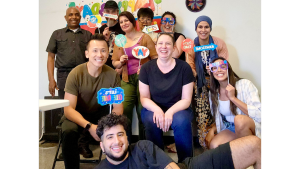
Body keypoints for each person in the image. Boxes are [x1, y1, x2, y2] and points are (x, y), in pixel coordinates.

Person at [95, 114, 261, 169]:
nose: (116, 141)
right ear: (101, 145)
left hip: (188, 167)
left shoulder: (141, 147)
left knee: (255, 145)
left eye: (120, 134)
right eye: (109, 137)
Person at [60, 34, 124, 169]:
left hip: (100, 114)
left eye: (103, 50)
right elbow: (68, 109)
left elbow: (118, 108)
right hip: (77, 114)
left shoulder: (112, 74)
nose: (99, 55)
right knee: (68, 131)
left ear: (108, 53)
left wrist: (108, 125)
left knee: (122, 124)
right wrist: (89, 126)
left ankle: (118, 164)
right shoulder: (76, 73)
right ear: (87, 54)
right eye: (95, 50)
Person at [139, 33, 194, 163]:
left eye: (168, 43)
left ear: (174, 47)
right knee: (151, 120)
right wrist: (158, 110)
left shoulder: (184, 68)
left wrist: (170, 112)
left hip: (179, 108)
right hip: (153, 107)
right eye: (160, 43)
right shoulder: (146, 68)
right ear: (156, 46)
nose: (164, 47)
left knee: (181, 121)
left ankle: (186, 163)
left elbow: (186, 99)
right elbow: (144, 98)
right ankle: (157, 163)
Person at [112, 11, 158, 140]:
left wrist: (145, 67)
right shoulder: (119, 40)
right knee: (123, 109)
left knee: (142, 110)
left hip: (143, 79)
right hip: (126, 79)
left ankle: (145, 144)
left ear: (132, 21)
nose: (124, 24)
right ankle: (126, 142)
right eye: (121, 22)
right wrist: (120, 62)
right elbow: (114, 63)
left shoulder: (144, 38)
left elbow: (155, 58)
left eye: (126, 20)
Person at [186, 15, 229, 149]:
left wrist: (215, 69)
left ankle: (221, 143)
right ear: (196, 28)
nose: (203, 30)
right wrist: (195, 73)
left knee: (219, 111)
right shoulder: (192, 45)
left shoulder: (219, 43)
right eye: (200, 27)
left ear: (210, 28)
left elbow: (225, 63)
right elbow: (190, 64)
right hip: (200, 83)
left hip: (218, 81)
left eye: (206, 27)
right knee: (203, 114)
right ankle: (205, 145)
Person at [205, 57, 261, 149]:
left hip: (249, 125)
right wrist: (212, 129)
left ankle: (250, 156)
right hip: (230, 127)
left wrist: (233, 98)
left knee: (239, 120)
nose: (219, 70)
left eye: (222, 66)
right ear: (211, 72)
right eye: (214, 68)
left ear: (228, 69)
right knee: (214, 145)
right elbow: (222, 119)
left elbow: (260, 114)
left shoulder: (245, 84)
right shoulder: (213, 92)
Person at [46, 7, 92, 99]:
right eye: (70, 15)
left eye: (76, 14)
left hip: (83, 74)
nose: (73, 17)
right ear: (65, 17)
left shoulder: (88, 35)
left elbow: (93, 57)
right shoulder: (57, 34)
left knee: (84, 104)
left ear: (80, 17)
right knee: (65, 104)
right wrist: (51, 80)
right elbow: (50, 58)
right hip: (63, 75)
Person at [95, 0, 125, 71]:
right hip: (103, 67)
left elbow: (128, 49)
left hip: (120, 66)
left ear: (117, 13)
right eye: (108, 12)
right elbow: (96, 50)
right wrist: (104, 39)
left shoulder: (124, 28)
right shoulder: (98, 30)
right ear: (104, 13)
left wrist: (122, 68)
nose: (110, 14)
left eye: (113, 12)